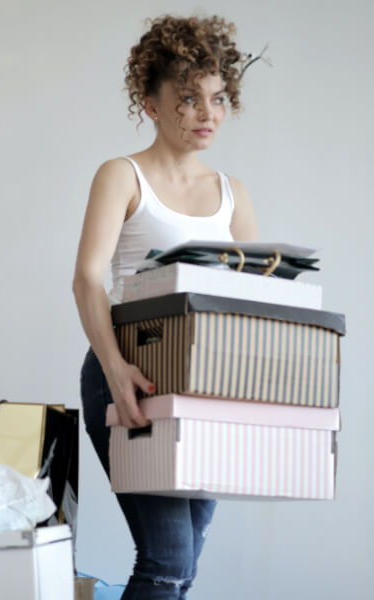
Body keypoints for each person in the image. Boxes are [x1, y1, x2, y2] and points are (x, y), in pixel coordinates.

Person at [72, 14, 259, 599]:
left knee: (186, 557)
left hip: (207, 388)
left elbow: (252, 299)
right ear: (151, 106)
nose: (208, 113)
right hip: (131, 374)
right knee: (168, 558)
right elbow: (86, 280)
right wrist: (113, 370)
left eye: (218, 98)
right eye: (188, 99)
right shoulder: (122, 175)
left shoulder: (233, 194)